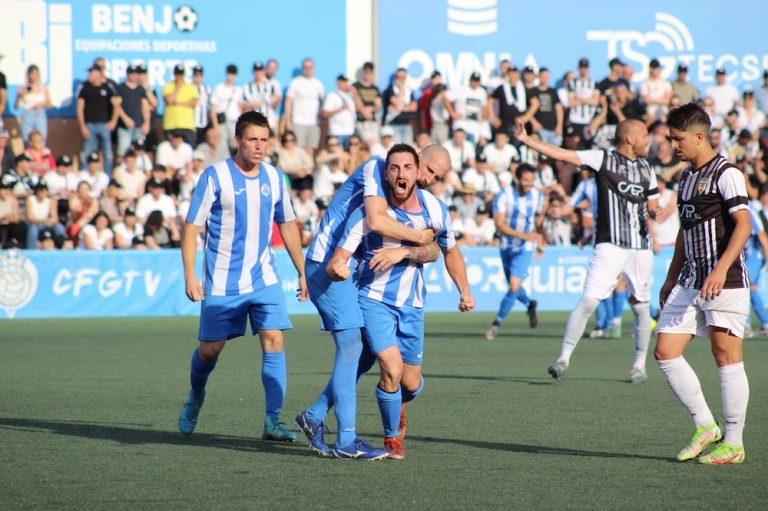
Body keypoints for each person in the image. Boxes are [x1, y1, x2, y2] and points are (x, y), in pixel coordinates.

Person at [294, 143, 470, 460]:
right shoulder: (375, 181)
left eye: (436, 176)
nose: (427, 179)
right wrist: (416, 238)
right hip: (342, 270)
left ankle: (315, 415)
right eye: (427, 170)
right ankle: (357, 440)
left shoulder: (433, 207)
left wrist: (409, 252)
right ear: (414, 160)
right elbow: (374, 221)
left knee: (398, 376)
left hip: (407, 301)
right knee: (360, 351)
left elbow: (438, 250)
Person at [177, 111, 308, 442]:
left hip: (264, 276)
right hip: (223, 281)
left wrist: (302, 271)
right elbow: (192, 227)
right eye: (252, 139)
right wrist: (190, 275)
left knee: (275, 340)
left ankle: (272, 421)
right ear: (237, 140)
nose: (259, 146)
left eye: (264, 140)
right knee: (210, 350)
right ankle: (196, 394)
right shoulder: (215, 176)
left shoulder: (275, 178)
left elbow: (287, 223)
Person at [514, 118, 664, 383]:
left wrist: (657, 211)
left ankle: (639, 365)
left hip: (641, 248)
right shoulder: (602, 158)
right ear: (629, 138)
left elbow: (652, 204)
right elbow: (561, 153)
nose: (648, 140)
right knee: (588, 302)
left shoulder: (646, 168)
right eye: (644, 135)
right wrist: (527, 140)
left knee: (641, 307)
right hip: (609, 245)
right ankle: (563, 358)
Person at [655, 102, 751, 465]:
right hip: (690, 279)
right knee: (665, 351)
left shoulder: (727, 172)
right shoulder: (686, 177)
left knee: (725, 356)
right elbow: (686, 231)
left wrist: (719, 269)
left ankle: (734, 442)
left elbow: (743, 225)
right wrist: (671, 275)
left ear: (699, 136)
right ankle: (705, 426)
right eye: (670, 138)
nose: (673, 145)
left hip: (724, 279)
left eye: (678, 139)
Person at [484, 163, 543, 340]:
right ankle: (530, 303)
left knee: (514, 286)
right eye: (526, 180)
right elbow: (499, 224)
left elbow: (539, 216)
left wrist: (539, 239)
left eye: (532, 180)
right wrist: (523, 235)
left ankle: (496, 324)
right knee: (514, 287)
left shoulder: (537, 195)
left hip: (524, 248)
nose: (529, 183)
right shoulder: (504, 195)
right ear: (517, 179)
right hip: (506, 246)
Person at [77, 64, 119, 175]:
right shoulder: (85, 88)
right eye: (89, 72)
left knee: (107, 154)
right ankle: (84, 176)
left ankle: (107, 177)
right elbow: (80, 108)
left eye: (92, 72)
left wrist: (113, 121)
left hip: (104, 125)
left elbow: (116, 105)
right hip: (90, 126)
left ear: (99, 73)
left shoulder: (107, 87)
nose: (89, 75)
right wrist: (82, 126)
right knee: (87, 153)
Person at [284, 58, 325, 157]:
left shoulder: (318, 84)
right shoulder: (295, 82)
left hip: (314, 123)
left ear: (314, 68)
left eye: (310, 67)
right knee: (298, 149)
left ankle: (309, 167)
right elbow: (288, 102)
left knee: (310, 149)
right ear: (302, 68)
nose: (308, 69)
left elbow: (324, 102)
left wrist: (321, 115)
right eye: (306, 67)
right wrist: (288, 121)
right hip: (298, 121)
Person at [742, 203, 768, 337]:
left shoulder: (748, 210)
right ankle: (765, 323)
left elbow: (762, 235)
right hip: (749, 257)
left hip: (755, 257)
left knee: (744, 288)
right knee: (751, 290)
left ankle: (746, 325)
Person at [115, 65, 150, 157]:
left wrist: (146, 123)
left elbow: (145, 106)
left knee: (139, 151)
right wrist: (125, 118)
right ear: (127, 74)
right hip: (124, 126)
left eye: (136, 74)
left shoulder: (140, 89)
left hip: (139, 126)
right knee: (123, 152)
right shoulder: (121, 88)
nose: (134, 76)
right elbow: (117, 105)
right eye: (132, 73)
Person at [162, 64, 199, 147]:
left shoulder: (191, 87)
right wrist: (178, 87)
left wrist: (179, 103)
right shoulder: (168, 86)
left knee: (188, 150)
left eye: (181, 74)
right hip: (171, 125)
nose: (179, 77)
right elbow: (169, 100)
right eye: (177, 74)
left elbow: (194, 102)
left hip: (187, 125)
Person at [211, 64, 244, 155]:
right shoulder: (219, 88)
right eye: (230, 73)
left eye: (233, 74)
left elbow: (241, 107)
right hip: (222, 122)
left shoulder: (238, 89)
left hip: (235, 122)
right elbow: (213, 108)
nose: (231, 76)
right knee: (222, 148)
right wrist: (215, 126)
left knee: (236, 147)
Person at [14, 64, 52, 144]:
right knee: (27, 141)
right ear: (28, 75)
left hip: (40, 115)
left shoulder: (43, 88)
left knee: (41, 141)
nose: (34, 76)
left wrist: (42, 105)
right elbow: (16, 106)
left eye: (36, 74)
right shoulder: (24, 88)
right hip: (27, 115)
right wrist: (19, 95)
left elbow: (50, 105)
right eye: (32, 74)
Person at [322, 75, 356, 148]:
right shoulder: (332, 96)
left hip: (350, 132)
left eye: (347, 82)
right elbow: (325, 113)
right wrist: (341, 108)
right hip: (337, 132)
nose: (346, 84)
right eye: (344, 82)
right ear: (338, 82)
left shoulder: (349, 96)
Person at [352, 62, 382, 146]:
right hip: (360, 120)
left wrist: (370, 109)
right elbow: (355, 102)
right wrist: (364, 111)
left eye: (370, 73)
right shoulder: (355, 86)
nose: (367, 75)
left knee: (375, 145)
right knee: (365, 144)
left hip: (372, 121)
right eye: (366, 72)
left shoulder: (375, 88)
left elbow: (378, 106)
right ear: (363, 72)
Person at [191, 65, 213, 145]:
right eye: (196, 75)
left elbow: (211, 106)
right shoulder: (188, 88)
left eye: (200, 75)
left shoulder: (207, 89)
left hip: (204, 124)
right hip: (191, 124)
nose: (198, 78)